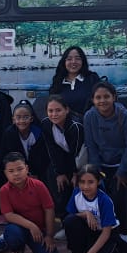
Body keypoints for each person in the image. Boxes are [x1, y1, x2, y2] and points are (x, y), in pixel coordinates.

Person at [0, 152, 59, 253]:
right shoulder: (4, 190)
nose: (16, 174)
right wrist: (31, 226)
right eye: (11, 171)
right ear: (5, 173)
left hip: (40, 231)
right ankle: (17, 250)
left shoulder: (38, 185)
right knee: (12, 232)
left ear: (26, 168)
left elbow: (49, 209)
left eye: (20, 169)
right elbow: (8, 215)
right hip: (20, 228)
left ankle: (33, 247)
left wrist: (49, 235)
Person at [83, 81, 127, 235]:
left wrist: (123, 171)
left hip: (120, 165)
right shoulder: (89, 116)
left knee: (118, 200)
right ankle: (103, 233)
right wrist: (96, 172)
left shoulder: (124, 116)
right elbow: (91, 146)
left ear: (114, 97)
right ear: (93, 100)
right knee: (100, 199)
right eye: (98, 97)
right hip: (101, 164)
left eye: (106, 96)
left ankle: (122, 233)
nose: (102, 101)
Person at [62, 165, 127, 253]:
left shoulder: (104, 200)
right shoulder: (76, 193)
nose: (86, 186)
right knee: (70, 221)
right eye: (82, 182)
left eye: (90, 182)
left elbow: (106, 232)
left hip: (106, 234)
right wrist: (86, 214)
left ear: (98, 182)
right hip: (90, 230)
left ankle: (118, 247)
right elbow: (70, 217)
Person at [40, 94, 83, 223]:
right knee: (57, 182)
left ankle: (77, 221)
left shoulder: (76, 126)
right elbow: (51, 149)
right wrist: (59, 173)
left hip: (81, 160)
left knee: (76, 187)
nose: (54, 114)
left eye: (58, 110)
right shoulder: (46, 124)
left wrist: (76, 173)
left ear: (67, 110)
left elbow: (78, 153)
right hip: (62, 159)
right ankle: (64, 220)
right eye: (50, 111)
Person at [48, 46, 101, 119]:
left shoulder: (92, 78)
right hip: (64, 124)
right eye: (69, 59)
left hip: (89, 123)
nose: (73, 62)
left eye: (77, 58)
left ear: (83, 61)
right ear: (64, 62)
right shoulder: (58, 81)